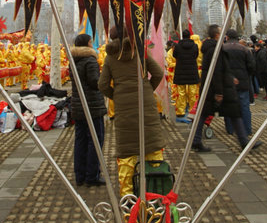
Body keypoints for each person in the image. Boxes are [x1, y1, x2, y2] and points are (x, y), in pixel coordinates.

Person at [98, 24, 166, 197]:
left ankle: (127, 199)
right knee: (152, 147)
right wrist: (147, 89)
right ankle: (156, 195)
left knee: (127, 153)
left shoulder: (110, 57)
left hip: (123, 107)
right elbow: (158, 73)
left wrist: (117, 96)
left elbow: (102, 85)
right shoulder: (141, 52)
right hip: (146, 103)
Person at [192, 25, 253, 152]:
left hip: (215, 86)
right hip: (219, 88)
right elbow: (217, 71)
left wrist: (230, 78)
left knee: (205, 114)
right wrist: (219, 92)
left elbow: (221, 69)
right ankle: (244, 141)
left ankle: (196, 139)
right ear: (217, 35)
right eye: (220, 32)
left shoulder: (211, 48)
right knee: (233, 113)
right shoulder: (214, 49)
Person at [70, 33, 107, 187]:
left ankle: (80, 175)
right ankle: (92, 175)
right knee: (95, 140)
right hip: (92, 105)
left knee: (80, 140)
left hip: (78, 105)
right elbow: (94, 82)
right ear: (87, 44)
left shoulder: (73, 60)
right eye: (91, 42)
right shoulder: (90, 61)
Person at [222, 29, 254, 139]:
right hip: (243, 81)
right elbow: (251, 66)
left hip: (227, 82)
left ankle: (230, 129)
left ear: (227, 37)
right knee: (244, 106)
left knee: (228, 105)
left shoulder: (222, 48)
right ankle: (247, 129)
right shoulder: (244, 49)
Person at [171, 29, 200, 122]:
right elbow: (196, 55)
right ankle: (192, 112)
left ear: (182, 36)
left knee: (181, 93)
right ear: (190, 36)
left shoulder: (178, 46)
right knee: (192, 93)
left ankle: (180, 112)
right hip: (192, 72)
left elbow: (175, 55)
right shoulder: (195, 46)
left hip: (180, 72)